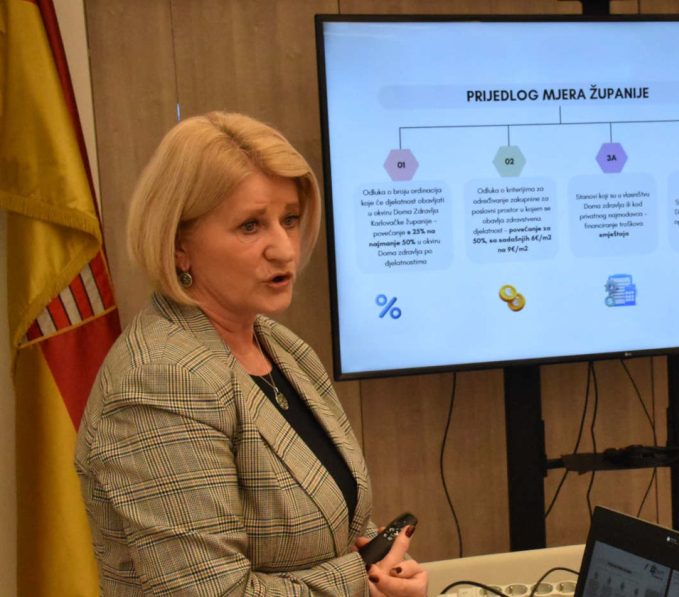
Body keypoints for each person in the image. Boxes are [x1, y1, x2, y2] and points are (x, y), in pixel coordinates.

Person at [75, 112, 428, 596]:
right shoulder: (159, 381)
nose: (284, 250)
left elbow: (343, 525)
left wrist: (386, 570)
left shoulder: (281, 346)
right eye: (250, 226)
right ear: (179, 246)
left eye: (290, 219)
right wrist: (361, 581)